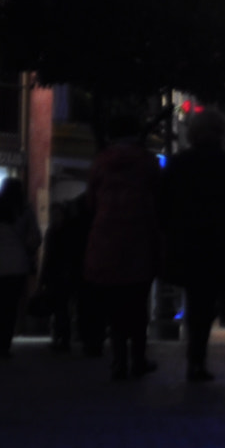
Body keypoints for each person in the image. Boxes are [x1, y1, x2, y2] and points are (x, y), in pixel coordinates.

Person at [161, 110, 225, 383]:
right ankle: (197, 357)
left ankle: (195, 356)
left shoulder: (178, 164)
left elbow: (163, 204)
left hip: (185, 243)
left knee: (195, 299)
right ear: (220, 133)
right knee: (206, 302)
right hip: (218, 243)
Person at [85, 115, 164, 381]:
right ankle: (138, 358)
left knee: (115, 306)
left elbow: (90, 202)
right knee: (137, 304)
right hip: (140, 239)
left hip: (106, 240)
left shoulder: (101, 162)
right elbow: (161, 200)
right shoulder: (147, 162)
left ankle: (118, 360)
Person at [0, 178, 40, 356]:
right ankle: (5, 344)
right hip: (18, 265)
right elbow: (36, 237)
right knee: (11, 307)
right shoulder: (25, 210)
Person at [40, 191, 92, 353]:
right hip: (67, 273)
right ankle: (67, 338)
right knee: (65, 308)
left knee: (62, 309)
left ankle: (64, 339)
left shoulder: (58, 232)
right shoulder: (71, 231)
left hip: (63, 274)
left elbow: (49, 255)